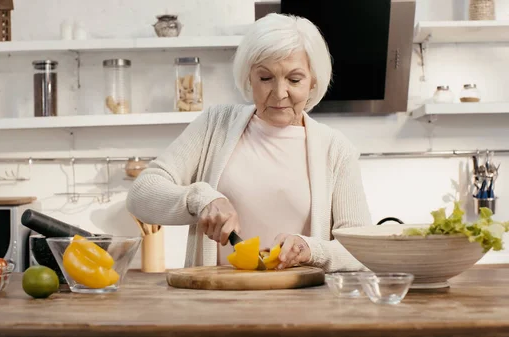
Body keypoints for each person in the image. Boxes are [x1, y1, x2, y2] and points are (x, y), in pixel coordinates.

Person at [126, 13, 372, 273]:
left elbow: (361, 251)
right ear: (249, 78)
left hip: (305, 307)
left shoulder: (336, 150)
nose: (279, 93)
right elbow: (141, 194)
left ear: (313, 81)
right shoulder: (215, 124)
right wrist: (200, 199)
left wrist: (310, 249)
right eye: (265, 78)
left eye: (294, 79)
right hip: (216, 302)